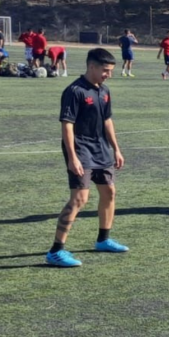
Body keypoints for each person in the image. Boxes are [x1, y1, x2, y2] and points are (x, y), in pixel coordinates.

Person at [45, 48, 129, 268]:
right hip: (80, 149)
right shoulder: (74, 91)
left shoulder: (104, 90)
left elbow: (107, 121)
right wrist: (72, 157)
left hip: (101, 149)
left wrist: (116, 149)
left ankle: (103, 239)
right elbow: (67, 126)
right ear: (91, 66)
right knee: (80, 199)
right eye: (105, 70)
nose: (108, 74)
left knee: (109, 192)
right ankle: (56, 251)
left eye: (110, 71)